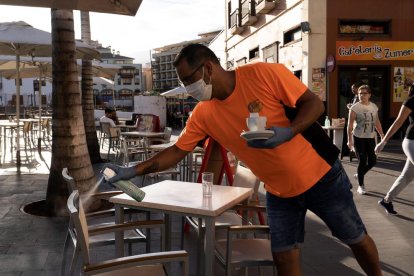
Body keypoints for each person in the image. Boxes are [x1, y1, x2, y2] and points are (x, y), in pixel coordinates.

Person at [104, 44, 382, 276]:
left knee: (354, 238)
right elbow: (178, 151)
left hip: (321, 176)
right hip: (278, 191)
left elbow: (314, 104)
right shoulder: (203, 113)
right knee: (283, 257)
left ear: (208, 69)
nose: (188, 88)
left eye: (189, 79)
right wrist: (134, 169)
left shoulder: (264, 74)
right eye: (183, 83)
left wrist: (289, 131)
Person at [375, 84, 414, 215]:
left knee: (407, 176)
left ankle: (387, 200)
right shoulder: (411, 101)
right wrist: (383, 142)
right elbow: (398, 122)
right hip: (412, 142)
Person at [347, 85, 384, 195]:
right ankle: (361, 185)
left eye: (364, 93)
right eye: (359, 94)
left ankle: (359, 174)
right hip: (358, 137)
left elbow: (376, 121)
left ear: (369, 95)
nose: (361, 95)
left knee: (373, 161)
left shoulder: (373, 107)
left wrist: (382, 134)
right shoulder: (355, 108)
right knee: (362, 160)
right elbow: (349, 126)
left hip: (370, 137)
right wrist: (350, 140)